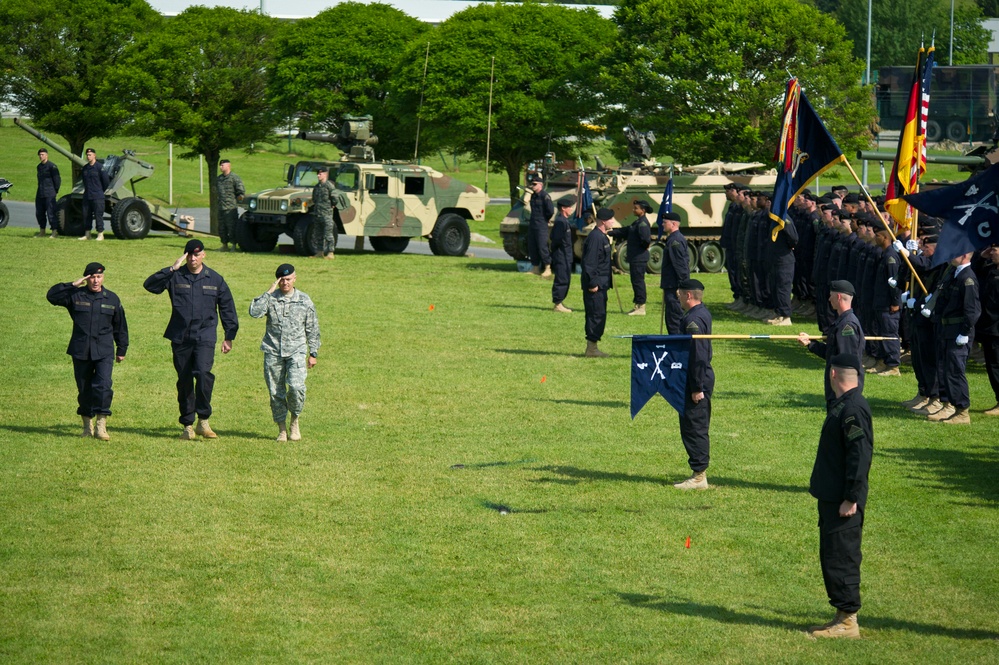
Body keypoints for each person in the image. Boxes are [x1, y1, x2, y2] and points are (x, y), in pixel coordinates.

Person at [144, 239, 239, 439]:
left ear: (203, 255)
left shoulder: (214, 279)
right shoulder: (175, 276)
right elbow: (150, 286)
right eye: (189, 255)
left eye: (196, 254)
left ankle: (203, 420)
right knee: (185, 379)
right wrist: (171, 268)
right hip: (180, 336)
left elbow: (227, 308)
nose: (193, 258)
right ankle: (187, 424)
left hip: (205, 335)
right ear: (185, 256)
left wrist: (229, 336)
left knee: (204, 374)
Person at [807, 353, 873, 640]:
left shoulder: (852, 409)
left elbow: (860, 457)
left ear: (833, 375)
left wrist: (851, 496)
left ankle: (848, 623)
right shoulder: (844, 405)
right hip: (833, 496)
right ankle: (841, 614)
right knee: (832, 555)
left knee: (842, 556)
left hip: (843, 501)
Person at [47, 262, 128, 441]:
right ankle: (87, 426)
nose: (95, 280)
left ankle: (101, 426)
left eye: (99, 276)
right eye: (92, 277)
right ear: (86, 278)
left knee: (104, 386)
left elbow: (120, 326)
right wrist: (72, 285)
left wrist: (122, 349)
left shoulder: (112, 298)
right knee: (84, 390)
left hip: (104, 351)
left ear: (103, 277)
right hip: (81, 350)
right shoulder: (75, 296)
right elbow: (51, 296)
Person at [249, 264, 321, 442]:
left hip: (296, 351)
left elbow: (312, 328)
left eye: (288, 279)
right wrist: (269, 291)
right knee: (275, 392)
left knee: (296, 387)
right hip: (273, 351)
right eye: (281, 280)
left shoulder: (304, 300)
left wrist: (314, 353)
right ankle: (281, 428)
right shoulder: (271, 298)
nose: (285, 283)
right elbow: (254, 312)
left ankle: (294, 421)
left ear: (295, 279)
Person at [925, 251, 981, 424]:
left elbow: (972, 310)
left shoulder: (967, 278)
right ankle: (951, 405)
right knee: (946, 369)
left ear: (965, 255)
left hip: (958, 331)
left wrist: (965, 332)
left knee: (955, 371)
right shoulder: (954, 273)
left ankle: (962, 410)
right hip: (947, 329)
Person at [673, 278, 714, 490]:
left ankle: (699, 477)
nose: (678, 298)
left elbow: (698, 353)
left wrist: (697, 387)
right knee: (693, 424)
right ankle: (698, 473)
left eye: (680, 294)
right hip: (699, 376)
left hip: (697, 379)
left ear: (688, 295)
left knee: (694, 426)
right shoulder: (701, 313)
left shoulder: (693, 320)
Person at [798, 280, 865, 403]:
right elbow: (833, 353)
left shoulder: (847, 326)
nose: (829, 299)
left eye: (831, 295)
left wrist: (842, 389)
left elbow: (846, 360)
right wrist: (810, 343)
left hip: (844, 387)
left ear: (838, 297)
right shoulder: (842, 322)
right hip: (838, 385)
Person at [609, 199, 653, 316]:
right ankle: (637, 305)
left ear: (643, 210)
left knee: (638, 282)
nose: (633, 210)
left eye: (636, 208)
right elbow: (626, 231)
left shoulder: (643, 224)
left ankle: (641, 307)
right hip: (635, 258)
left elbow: (646, 241)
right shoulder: (637, 222)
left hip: (639, 258)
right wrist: (610, 232)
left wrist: (639, 250)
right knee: (635, 281)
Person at [581, 208, 615, 357]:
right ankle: (591, 349)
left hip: (602, 284)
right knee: (595, 315)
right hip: (595, 286)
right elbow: (589, 263)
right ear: (603, 221)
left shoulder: (602, 236)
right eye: (611, 219)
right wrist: (593, 283)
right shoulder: (595, 238)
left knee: (599, 314)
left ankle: (593, 347)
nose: (613, 222)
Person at [977, 246, 999, 416]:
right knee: (992, 366)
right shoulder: (990, 269)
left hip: (997, 328)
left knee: (997, 365)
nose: (991, 252)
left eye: (995, 250)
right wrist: (982, 257)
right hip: (988, 327)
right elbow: (973, 271)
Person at [659, 211, 689, 334]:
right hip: (670, 285)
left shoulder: (675, 241)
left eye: (665, 222)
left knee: (674, 320)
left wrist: (682, 286)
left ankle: (678, 347)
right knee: (671, 318)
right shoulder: (673, 239)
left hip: (674, 286)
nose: (662, 224)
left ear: (674, 224)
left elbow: (680, 265)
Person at [550, 194, 577, 313]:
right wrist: (558, 253)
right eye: (569, 207)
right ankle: (557, 303)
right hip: (561, 255)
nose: (571, 209)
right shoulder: (561, 222)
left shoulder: (564, 221)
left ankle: (560, 302)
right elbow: (555, 239)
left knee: (565, 278)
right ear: (563, 208)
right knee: (561, 278)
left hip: (566, 255)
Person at [312, 167, 344, 260]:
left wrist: (333, 205)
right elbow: (314, 199)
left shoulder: (329, 186)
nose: (318, 175)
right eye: (317, 174)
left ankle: (330, 253)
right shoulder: (317, 187)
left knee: (328, 234)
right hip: (318, 213)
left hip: (327, 214)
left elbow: (335, 198)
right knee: (318, 234)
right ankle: (319, 252)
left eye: (320, 174)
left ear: (325, 174)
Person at [79, 148, 110, 241]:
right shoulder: (85, 168)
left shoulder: (100, 167)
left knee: (98, 215)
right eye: (87, 155)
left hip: (97, 196)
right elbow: (84, 181)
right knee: (86, 215)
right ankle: (87, 234)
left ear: (94, 155)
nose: (88, 157)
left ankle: (100, 234)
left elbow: (106, 182)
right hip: (87, 195)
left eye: (90, 155)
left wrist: (99, 191)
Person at [527, 174, 554, 277]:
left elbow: (550, 211)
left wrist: (545, 219)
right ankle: (535, 268)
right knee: (532, 246)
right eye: (532, 184)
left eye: (534, 184)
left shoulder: (545, 196)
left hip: (541, 224)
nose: (532, 186)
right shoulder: (533, 196)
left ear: (541, 185)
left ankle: (548, 267)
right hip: (533, 223)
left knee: (542, 246)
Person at [216, 159, 245, 252]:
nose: (221, 167)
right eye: (220, 165)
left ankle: (233, 245)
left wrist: (237, 201)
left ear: (228, 166)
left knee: (232, 227)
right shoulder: (219, 179)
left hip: (230, 208)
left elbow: (241, 192)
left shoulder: (234, 178)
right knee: (222, 228)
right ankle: (224, 245)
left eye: (222, 165)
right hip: (221, 207)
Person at [35, 148, 61, 238]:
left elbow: (57, 180)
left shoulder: (52, 166)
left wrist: (55, 191)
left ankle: (54, 231)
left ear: (47, 155)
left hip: (49, 193)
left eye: (43, 154)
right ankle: (42, 231)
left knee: (51, 213)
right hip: (40, 192)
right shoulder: (39, 167)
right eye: (40, 154)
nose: (41, 156)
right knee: (39, 213)